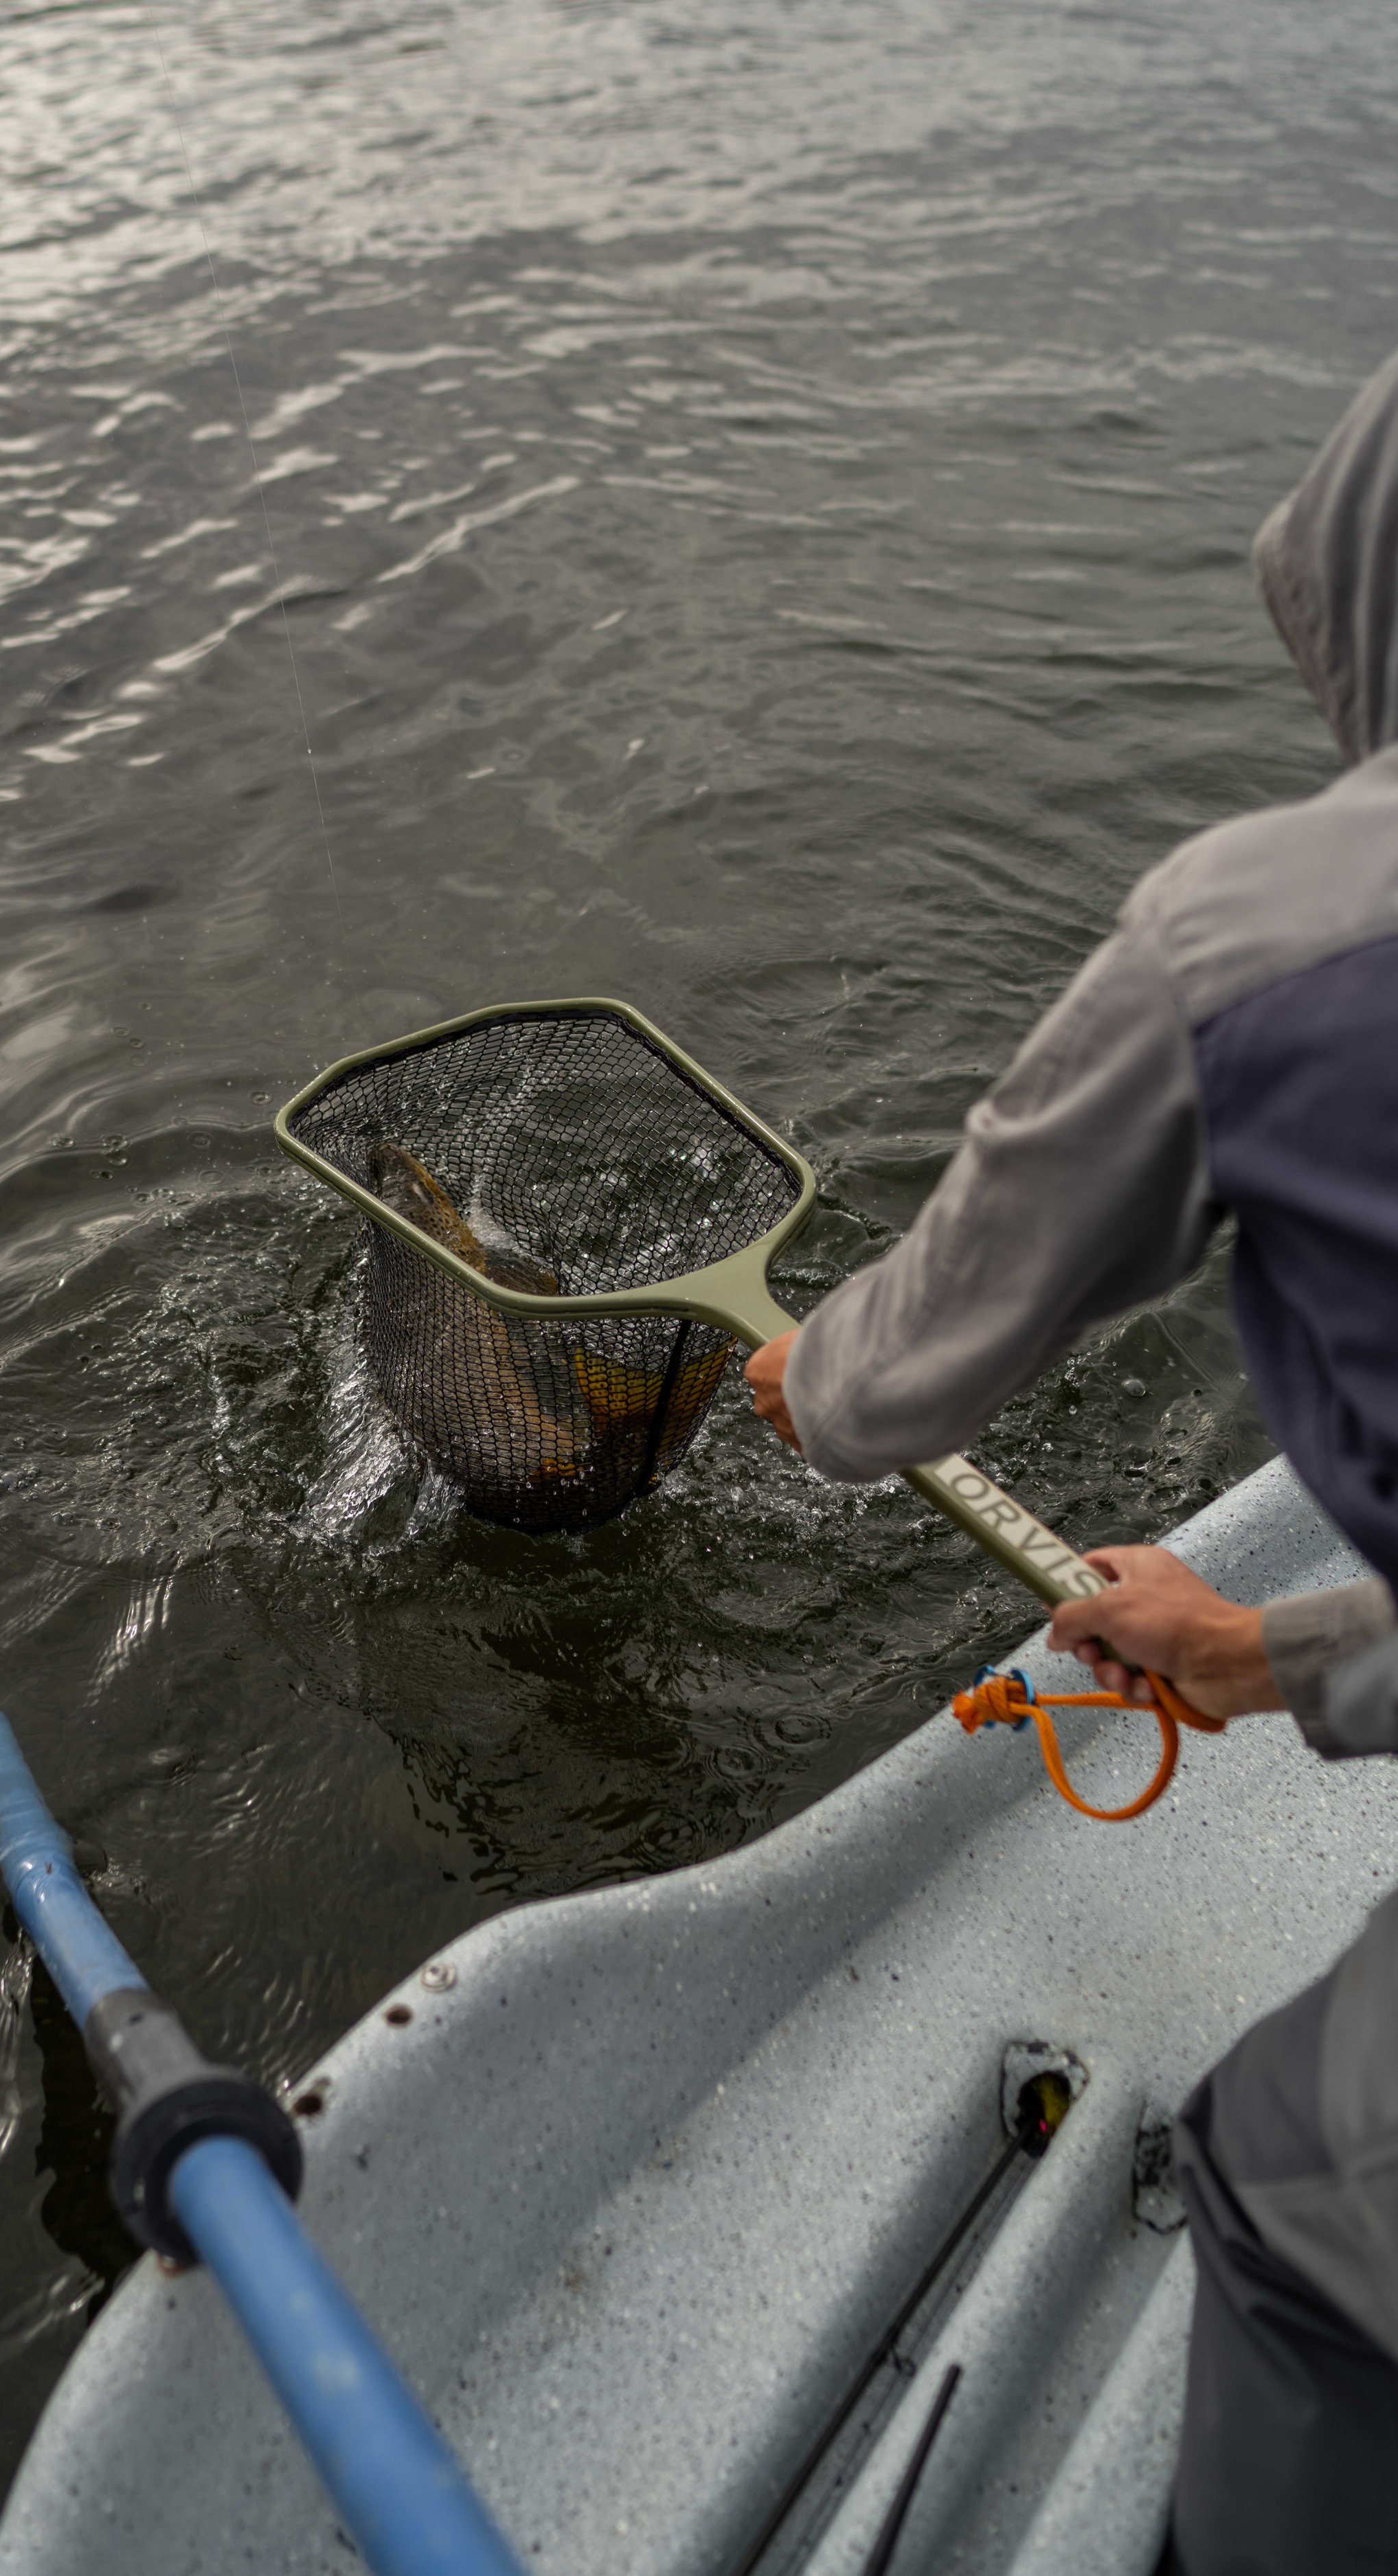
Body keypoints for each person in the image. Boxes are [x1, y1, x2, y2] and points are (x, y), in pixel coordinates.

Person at [744, 348, 1398, 2573]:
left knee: (1304, 2188)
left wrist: (811, 1387)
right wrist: (1265, 1649)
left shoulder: (1252, 930)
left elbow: (898, 1372)